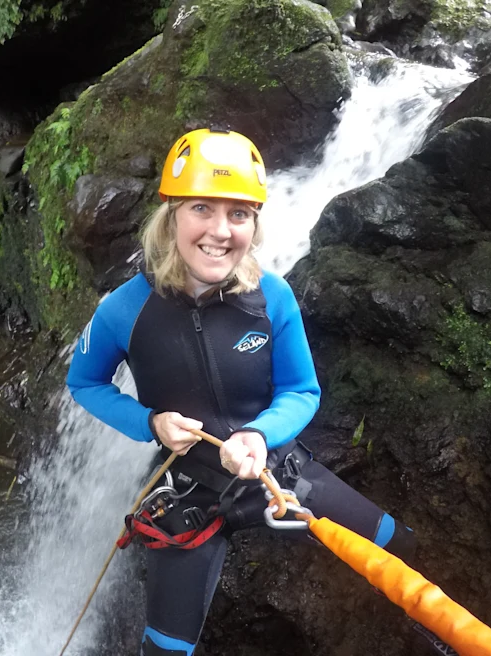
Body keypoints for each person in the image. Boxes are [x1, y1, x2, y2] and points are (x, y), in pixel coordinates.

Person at [66, 128, 415, 656]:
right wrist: (150, 423)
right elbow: (84, 382)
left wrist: (258, 434)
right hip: (189, 492)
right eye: (202, 208)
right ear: (172, 216)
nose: (220, 231)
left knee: (401, 552)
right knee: (163, 650)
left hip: (278, 470)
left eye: (239, 214)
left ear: (254, 223)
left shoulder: (272, 298)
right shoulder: (124, 309)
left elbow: (301, 391)